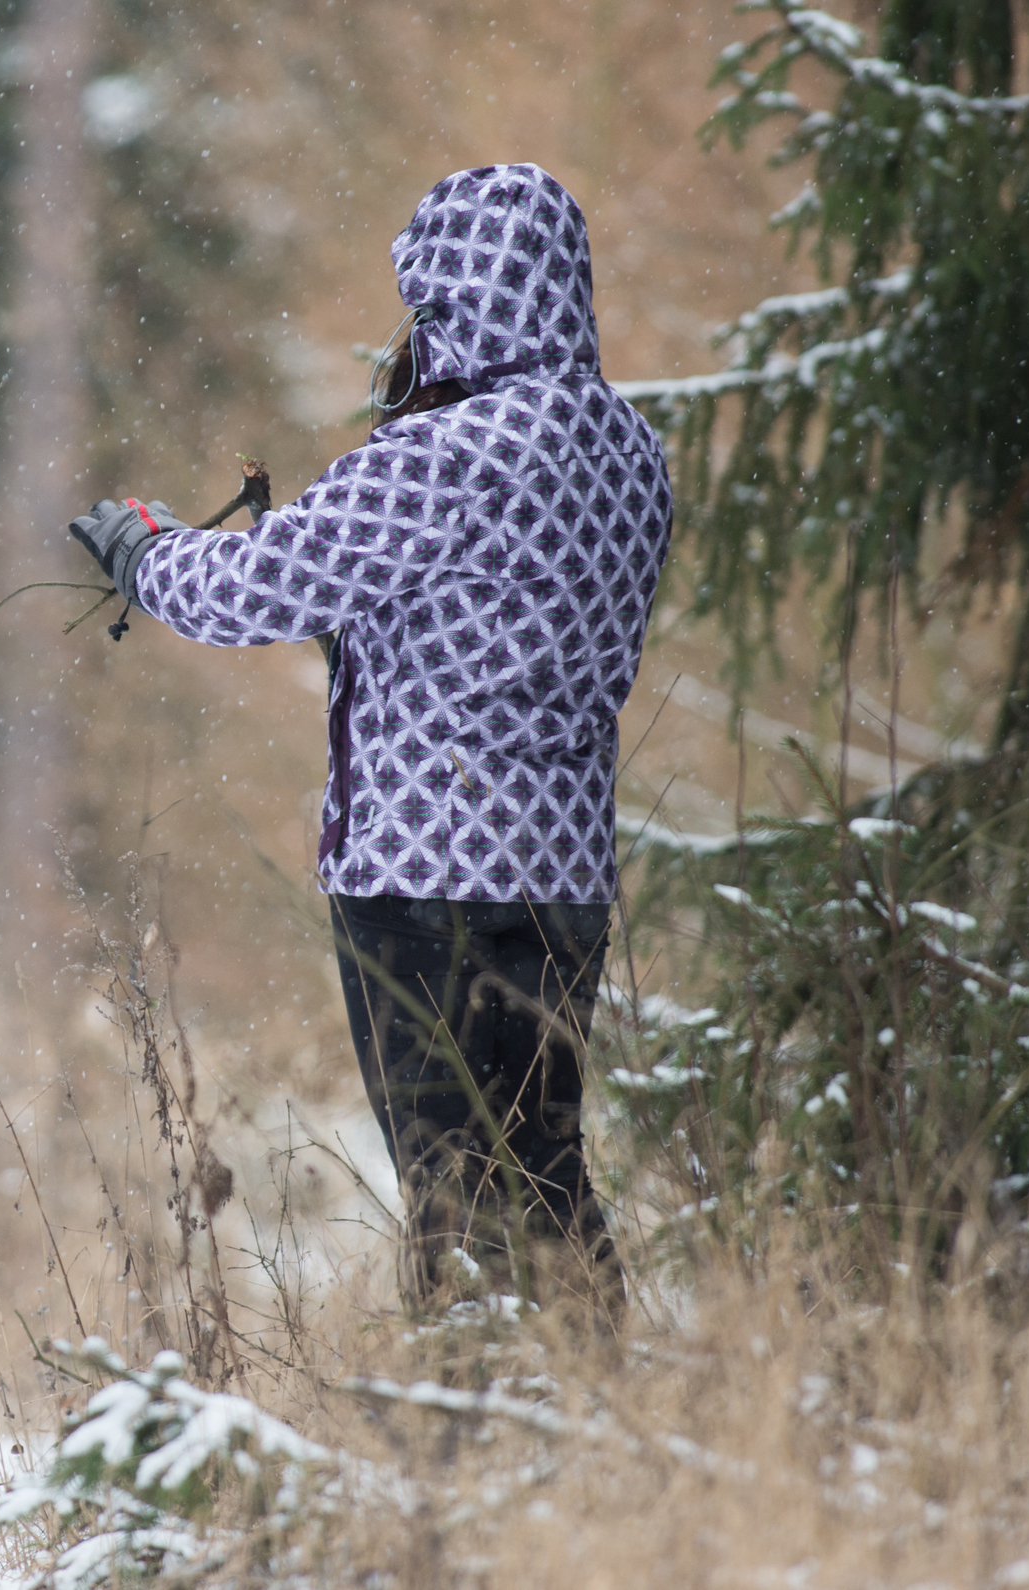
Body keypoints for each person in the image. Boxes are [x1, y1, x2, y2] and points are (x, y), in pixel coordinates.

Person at [67, 164, 671, 1319]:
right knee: (543, 1170)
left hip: (422, 872)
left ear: (448, 296)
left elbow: (253, 588)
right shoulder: (628, 450)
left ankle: (484, 1423)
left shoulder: (443, 454)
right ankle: (583, 1414)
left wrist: (146, 552)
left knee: (452, 1182)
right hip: (564, 879)